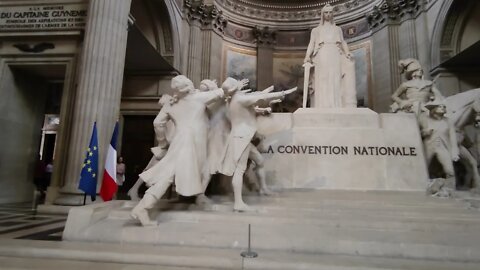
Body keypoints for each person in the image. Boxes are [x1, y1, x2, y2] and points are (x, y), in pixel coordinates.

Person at [130, 75, 224, 226]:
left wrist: (163, 143)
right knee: (167, 175)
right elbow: (221, 92)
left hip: (179, 141)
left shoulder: (171, 103)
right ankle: (142, 208)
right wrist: (218, 86)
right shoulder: (198, 98)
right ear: (189, 85)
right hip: (190, 143)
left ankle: (143, 207)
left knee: (167, 175)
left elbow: (157, 123)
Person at [219, 77, 297, 211]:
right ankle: (238, 203)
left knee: (259, 161)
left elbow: (256, 98)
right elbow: (260, 98)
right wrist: (283, 93)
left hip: (243, 137)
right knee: (239, 170)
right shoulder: (239, 99)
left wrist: (268, 98)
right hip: (241, 137)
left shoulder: (233, 100)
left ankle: (263, 188)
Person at [303, 4, 356, 108]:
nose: (328, 14)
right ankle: (322, 105)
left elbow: (343, 41)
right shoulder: (316, 30)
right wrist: (307, 56)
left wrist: (347, 52)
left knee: (335, 78)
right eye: (326, 12)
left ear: (333, 14)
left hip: (335, 53)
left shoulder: (338, 29)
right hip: (321, 54)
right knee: (323, 79)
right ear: (322, 14)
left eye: (330, 12)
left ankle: (336, 105)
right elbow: (311, 44)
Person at [419, 100, 459, 193]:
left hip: (442, 147)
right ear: (433, 109)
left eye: (443, 106)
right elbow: (418, 133)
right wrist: (425, 132)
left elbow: (453, 138)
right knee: (423, 168)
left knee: (450, 170)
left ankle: (450, 189)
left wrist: (455, 153)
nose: (442, 108)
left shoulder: (448, 121)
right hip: (428, 146)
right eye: (439, 106)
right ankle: (421, 187)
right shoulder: (425, 119)